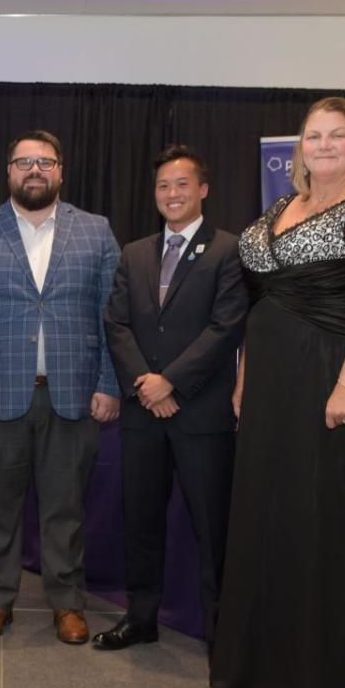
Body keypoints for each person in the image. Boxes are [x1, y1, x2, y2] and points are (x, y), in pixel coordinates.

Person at [210, 97, 345, 688]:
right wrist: (247, 378)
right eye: (313, 136)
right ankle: (269, 663)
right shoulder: (283, 207)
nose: (324, 145)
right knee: (277, 513)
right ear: (299, 146)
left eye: (337, 135)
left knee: (327, 514)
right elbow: (263, 302)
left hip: (334, 380)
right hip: (275, 383)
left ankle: (329, 675)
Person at [0, 130, 120, 644]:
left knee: (65, 508)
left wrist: (109, 383)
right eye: (24, 162)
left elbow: (114, 317)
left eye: (45, 162)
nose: (34, 170)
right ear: (9, 171)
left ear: (60, 170)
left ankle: (67, 603)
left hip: (74, 394)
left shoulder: (96, 231)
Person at [99, 144, 248, 651]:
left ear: (203, 190)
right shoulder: (134, 253)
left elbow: (225, 327)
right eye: (163, 185)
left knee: (213, 528)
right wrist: (146, 382)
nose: (172, 194)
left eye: (182, 184)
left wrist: (172, 382)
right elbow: (116, 324)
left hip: (200, 415)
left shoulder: (229, 250)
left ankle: (221, 634)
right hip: (144, 415)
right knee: (140, 521)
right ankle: (140, 619)